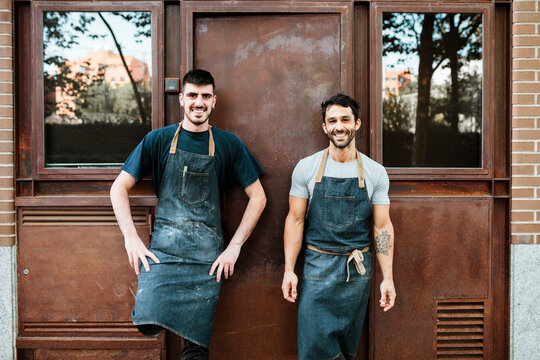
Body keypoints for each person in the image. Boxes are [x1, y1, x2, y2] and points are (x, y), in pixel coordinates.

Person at [110, 69, 266, 360]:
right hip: (163, 255)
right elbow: (118, 189)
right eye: (192, 95)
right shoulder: (158, 140)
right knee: (147, 316)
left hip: (207, 260)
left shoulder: (228, 144)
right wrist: (131, 238)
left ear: (214, 101)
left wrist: (234, 248)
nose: (199, 101)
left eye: (205, 96)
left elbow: (258, 197)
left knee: (195, 348)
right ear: (181, 99)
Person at [281, 93, 396, 360]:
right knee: (314, 350)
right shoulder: (306, 168)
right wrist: (289, 270)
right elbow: (295, 220)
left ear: (357, 124)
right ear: (324, 127)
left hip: (357, 274)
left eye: (345, 119)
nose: (339, 126)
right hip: (317, 269)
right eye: (332, 121)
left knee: (346, 350)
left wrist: (387, 278)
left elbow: (382, 228)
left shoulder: (375, 172)